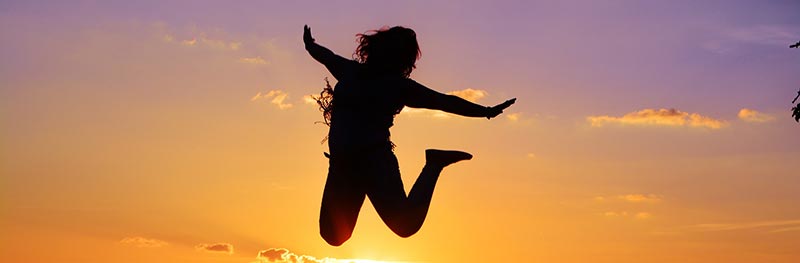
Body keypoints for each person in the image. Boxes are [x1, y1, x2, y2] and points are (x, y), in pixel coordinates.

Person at [304, 25, 515, 246]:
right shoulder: (351, 71)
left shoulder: (398, 87)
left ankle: (434, 164)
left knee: (405, 225)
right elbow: (327, 57)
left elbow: (444, 101)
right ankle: (428, 165)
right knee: (334, 235)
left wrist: (486, 112)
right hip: (343, 164)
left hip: (374, 162)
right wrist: (311, 46)